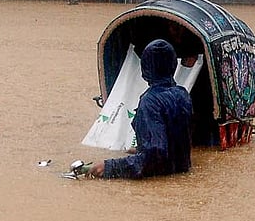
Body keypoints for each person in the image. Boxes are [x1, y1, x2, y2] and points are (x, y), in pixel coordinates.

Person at [82, 39, 193, 179]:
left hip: (159, 179)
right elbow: (172, 144)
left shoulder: (150, 102)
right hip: (181, 170)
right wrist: (141, 150)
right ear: (173, 64)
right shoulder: (182, 94)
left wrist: (109, 167)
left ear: (145, 68)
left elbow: (155, 155)